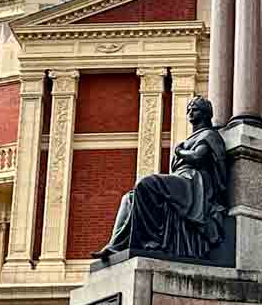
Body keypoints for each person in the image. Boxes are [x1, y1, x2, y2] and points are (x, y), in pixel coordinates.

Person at [94, 95, 228, 260]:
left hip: (193, 181)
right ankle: (115, 246)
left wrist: (180, 152)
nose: (191, 113)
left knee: (146, 184)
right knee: (129, 198)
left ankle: (152, 241)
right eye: (189, 110)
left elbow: (197, 157)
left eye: (195, 109)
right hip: (181, 177)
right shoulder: (193, 137)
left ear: (206, 114)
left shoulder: (209, 135)